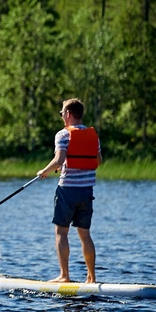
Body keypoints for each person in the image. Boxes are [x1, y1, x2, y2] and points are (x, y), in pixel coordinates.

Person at [37, 98, 101, 283]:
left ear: (68, 114)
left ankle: (65, 275)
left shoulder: (62, 135)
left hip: (67, 191)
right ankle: (92, 277)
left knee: (61, 232)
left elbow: (58, 160)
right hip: (86, 191)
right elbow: (98, 161)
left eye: (62, 113)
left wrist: (44, 171)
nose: (61, 116)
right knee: (85, 234)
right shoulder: (93, 135)